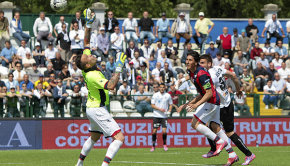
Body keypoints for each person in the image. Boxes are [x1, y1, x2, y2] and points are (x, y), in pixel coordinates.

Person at [75, 9, 125, 166]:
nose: (90, 53)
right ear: (88, 63)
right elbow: (111, 86)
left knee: (94, 137)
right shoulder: (93, 75)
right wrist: (118, 68)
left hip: (92, 107)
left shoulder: (86, 68)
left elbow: (86, 42)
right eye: (89, 56)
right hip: (97, 108)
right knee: (119, 138)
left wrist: (88, 25)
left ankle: (79, 164)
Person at [176, 52, 239, 166]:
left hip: (212, 102)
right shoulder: (192, 72)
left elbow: (209, 93)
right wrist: (187, 104)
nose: (187, 62)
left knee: (194, 123)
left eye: (190, 60)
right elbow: (201, 93)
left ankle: (218, 142)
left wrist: (196, 105)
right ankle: (232, 155)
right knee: (216, 127)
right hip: (213, 102)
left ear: (195, 62)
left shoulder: (201, 74)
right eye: (187, 60)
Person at [199, 54, 255, 165]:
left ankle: (248, 154)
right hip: (227, 102)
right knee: (209, 126)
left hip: (222, 106)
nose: (200, 65)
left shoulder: (210, 75)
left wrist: (196, 102)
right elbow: (233, 75)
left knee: (226, 132)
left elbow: (209, 93)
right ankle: (217, 150)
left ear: (209, 64)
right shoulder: (218, 69)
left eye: (202, 63)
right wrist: (238, 90)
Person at [150, 83, 173, 152]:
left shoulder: (168, 95)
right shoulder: (155, 95)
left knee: (164, 131)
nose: (162, 88)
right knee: (154, 131)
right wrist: (160, 109)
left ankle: (164, 144)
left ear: (165, 88)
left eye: (163, 87)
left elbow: (171, 104)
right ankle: (153, 146)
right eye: (161, 87)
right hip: (156, 116)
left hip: (164, 116)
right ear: (159, 88)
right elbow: (152, 105)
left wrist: (169, 110)